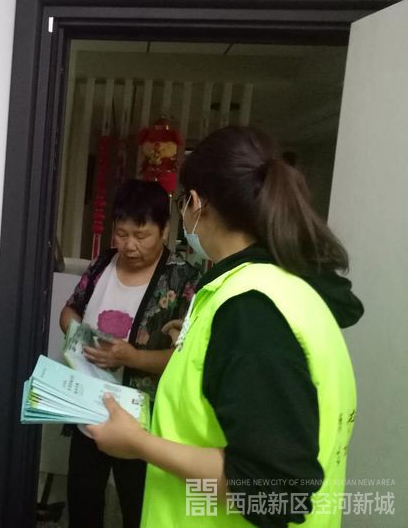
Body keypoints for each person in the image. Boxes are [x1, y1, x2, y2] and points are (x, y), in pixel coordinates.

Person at [87, 126, 363, 527]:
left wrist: (139, 444)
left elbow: (275, 491)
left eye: (182, 202)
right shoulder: (292, 291)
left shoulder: (252, 309)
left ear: (197, 204)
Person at [60, 179, 201, 528]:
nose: (129, 245)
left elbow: (187, 358)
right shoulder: (103, 264)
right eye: (122, 234)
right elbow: (70, 311)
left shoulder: (183, 279)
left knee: (138, 509)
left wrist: (130, 358)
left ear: (164, 230)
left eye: (141, 235)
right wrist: (83, 338)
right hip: (89, 410)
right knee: (83, 504)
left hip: (144, 424)